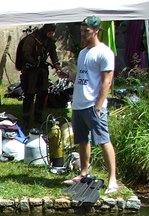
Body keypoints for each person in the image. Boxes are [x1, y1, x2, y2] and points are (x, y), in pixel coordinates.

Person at [65, 16, 118, 194]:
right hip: (78, 104)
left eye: (86, 31)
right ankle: (83, 173)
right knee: (82, 140)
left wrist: (98, 106)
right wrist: (68, 75)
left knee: (103, 141)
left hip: (94, 106)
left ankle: (112, 180)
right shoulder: (82, 52)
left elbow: (106, 82)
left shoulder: (104, 52)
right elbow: (82, 77)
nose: (83, 34)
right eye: (81, 30)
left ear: (96, 31)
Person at [18, 24, 61, 128]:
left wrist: (56, 64)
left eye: (53, 33)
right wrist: (34, 62)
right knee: (29, 94)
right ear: (45, 31)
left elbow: (52, 52)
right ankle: (26, 118)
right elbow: (25, 54)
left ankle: (38, 116)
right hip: (30, 70)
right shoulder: (31, 39)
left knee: (43, 92)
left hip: (42, 69)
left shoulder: (49, 40)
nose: (51, 35)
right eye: (50, 32)